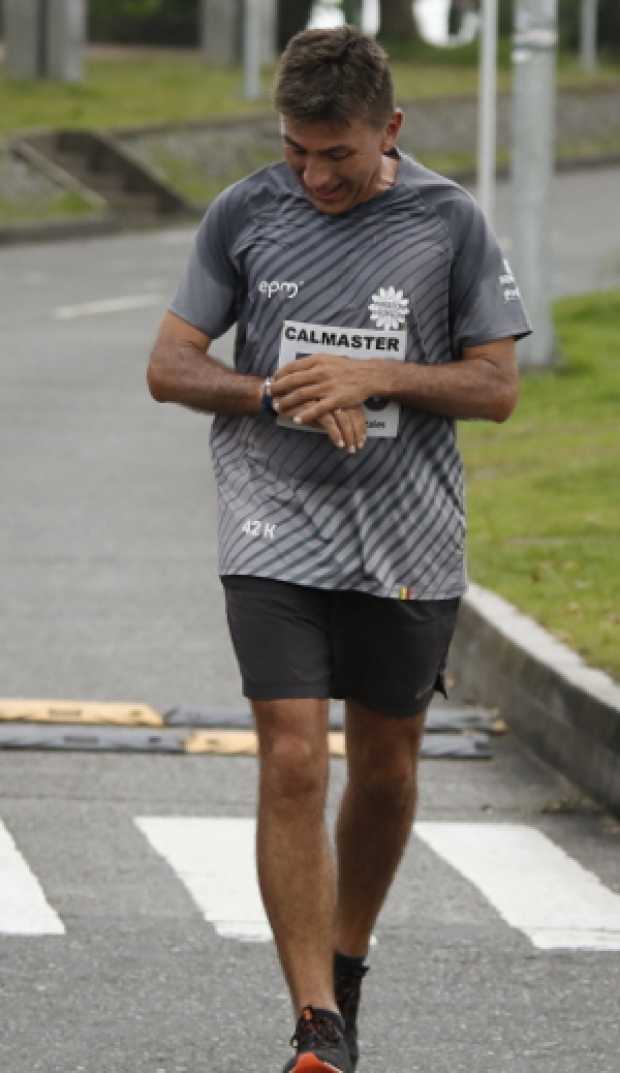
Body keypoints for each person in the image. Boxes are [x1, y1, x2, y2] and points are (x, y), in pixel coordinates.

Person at [147, 25, 531, 1073]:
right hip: (270, 515)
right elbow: (171, 367)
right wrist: (270, 388)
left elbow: (494, 387)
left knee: (388, 764)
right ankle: (314, 1017)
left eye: (338, 156)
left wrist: (376, 377)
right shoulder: (246, 212)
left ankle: (345, 957)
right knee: (287, 752)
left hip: (403, 525)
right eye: (295, 151)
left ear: (388, 130)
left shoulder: (445, 221)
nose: (313, 176)